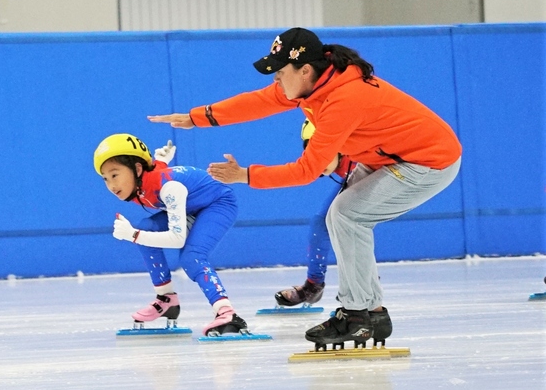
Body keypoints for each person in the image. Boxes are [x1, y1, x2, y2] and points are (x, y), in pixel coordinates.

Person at [148, 27, 462, 350]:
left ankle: (356, 317)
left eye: (280, 72)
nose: (275, 81)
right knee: (342, 218)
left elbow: (307, 170)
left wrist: (244, 175)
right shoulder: (312, 86)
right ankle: (373, 312)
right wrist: (196, 118)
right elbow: (255, 103)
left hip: (428, 161)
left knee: (346, 216)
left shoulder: (344, 99)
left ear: (305, 70)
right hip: (389, 155)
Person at [94, 133, 248, 336]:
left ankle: (227, 312)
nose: (111, 186)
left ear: (137, 169)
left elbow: (177, 239)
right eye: (105, 179)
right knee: (146, 226)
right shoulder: (142, 180)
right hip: (192, 206)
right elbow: (156, 166)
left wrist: (133, 235)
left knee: (192, 257)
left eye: (115, 175)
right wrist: (160, 159)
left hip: (217, 204)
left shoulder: (169, 188)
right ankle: (166, 299)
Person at [273, 119, 352, 309]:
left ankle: (359, 293)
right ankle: (314, 285)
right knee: (323, 221)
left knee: (352, 225)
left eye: (325, 152)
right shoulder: (346, 162)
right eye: (312, 153)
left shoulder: (360, 159)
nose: (319, 161)